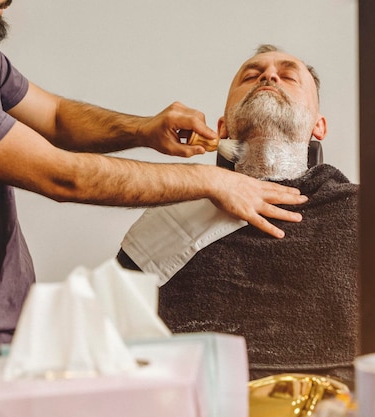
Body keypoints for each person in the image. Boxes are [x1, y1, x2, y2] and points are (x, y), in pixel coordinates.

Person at [0, 1, 309, 375]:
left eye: (288, 74)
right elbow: (63, 175)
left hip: (1, 338)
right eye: (253, 74)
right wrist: (211, 180)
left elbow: (56, 117)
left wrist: (144, 129)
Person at [118, 45, 359, 384]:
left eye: (287, 75)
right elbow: (118, 348)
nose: (269, 76)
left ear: (318, 126)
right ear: (223, 127)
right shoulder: (170, 222)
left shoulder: (364, 214)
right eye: (251, 75)